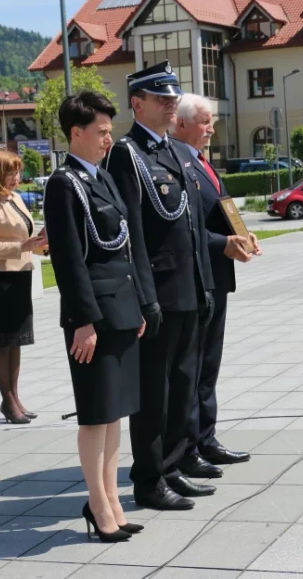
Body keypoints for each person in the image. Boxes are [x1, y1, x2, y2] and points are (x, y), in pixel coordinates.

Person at [105, 60, 216, 511]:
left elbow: (189, 227)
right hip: (158, 294)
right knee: (155, 392)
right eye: (162, 99)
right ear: (137, 103)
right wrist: (146, 297)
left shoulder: (172, 150)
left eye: (174, 99)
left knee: (184, 382)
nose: (172, 105)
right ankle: (149, 480)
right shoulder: (127, 155)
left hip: (188, 288)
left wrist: (205, 284)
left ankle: (172, 467)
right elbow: (131, 232)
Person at [45, 91, 148, 542]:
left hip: (120, 309)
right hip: (93, 318)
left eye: (110, 130)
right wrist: (84, 321)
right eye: (102, 132)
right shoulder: (63, 183)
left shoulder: (100, 179)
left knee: (114, 415)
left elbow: (123, 246)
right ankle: (98, 504)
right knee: (94, 415)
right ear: (76, 133)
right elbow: (69, 259)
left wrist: (138, 305)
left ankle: (110, 500)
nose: (109, 139)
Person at [171, 93, 259, 479]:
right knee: (191, 368)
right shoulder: (176, 159)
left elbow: (220, 209)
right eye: (206, 122)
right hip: (195, 275)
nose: (212, 129)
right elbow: (183, 229)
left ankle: (205, 438)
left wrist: (242, 235)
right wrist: (223, 243)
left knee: (209, 365)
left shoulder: (201, 161)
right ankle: (187, 446)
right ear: (183, 123)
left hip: (216, 276)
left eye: (212, 122)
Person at [0, 150, 48, 424]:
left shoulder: (14, 199)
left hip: (19, 276)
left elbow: (24, 237)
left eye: (17, 172)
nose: (16, 178)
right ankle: (7, 400)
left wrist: (41, 245)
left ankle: (14, 397)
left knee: (16, 342)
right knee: (2, 343)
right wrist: (22, 246)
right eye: (10, 172)